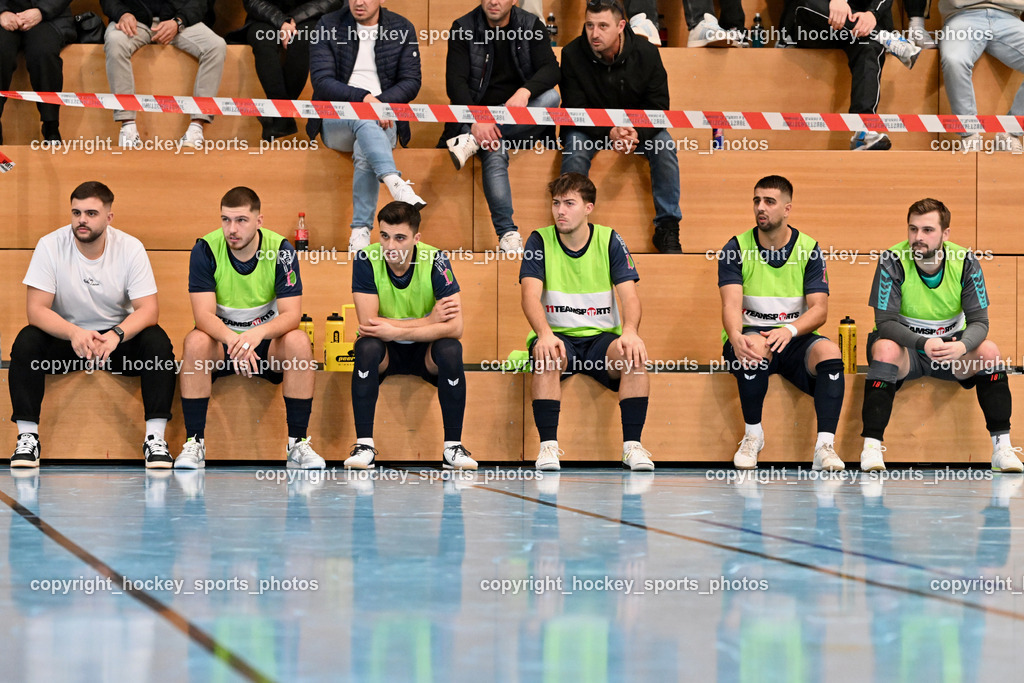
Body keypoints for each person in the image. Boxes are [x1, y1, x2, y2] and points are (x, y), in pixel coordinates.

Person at [8, 181, 176, 468]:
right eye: (76, 213)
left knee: (157, 342)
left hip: (114, 343)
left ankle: (155, 440)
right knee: (26, 340)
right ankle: (28, 439)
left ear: (109, 218)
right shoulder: (50, 245)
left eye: (90, 213)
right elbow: (36, 311)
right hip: (68, 339)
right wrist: (73, 332)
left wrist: (117, 335)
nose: (81, 220)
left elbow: (149, 310)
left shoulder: (130, 248)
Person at [858, 198, 1023, 472]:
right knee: (884, 347)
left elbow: (980, 322)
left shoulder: (966, 261)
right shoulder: (892, 259)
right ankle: (872, 449)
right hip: (907, 351)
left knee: (989, 351)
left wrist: (962, 347)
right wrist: (923, 342)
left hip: (950, 353)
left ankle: (1002, 448)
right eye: (913, 229)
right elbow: (885, 322)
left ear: (945, 234)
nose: (918, 238)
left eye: (927, 230)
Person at [174, 186, 324, 470]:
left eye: (241, 220)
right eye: (226, 219)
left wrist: (255, 335)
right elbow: (203, 316)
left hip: (264, 343)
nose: (232, 228)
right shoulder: (204, 249)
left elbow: (292, 315)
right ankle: (194, 443)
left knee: (299, 342)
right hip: (223, 341)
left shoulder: (281, 250)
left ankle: (298, 444)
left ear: (259, 220)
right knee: (194, 343)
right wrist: (236, 341)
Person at [520, 172, 654, 472]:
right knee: (545, 356)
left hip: (600, 342)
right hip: (557, 338)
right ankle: (548, 449)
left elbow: (630, 297)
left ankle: (632, 447)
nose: (560, 211)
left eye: (569, 203)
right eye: (556, 203)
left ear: (588, 208)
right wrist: (543, 334)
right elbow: (529, 296)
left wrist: (630, 332)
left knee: (633, 355)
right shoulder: (539, 239)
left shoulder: (609, 239)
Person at [718, 175, 845, 471]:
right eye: (756, 200)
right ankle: (753, 436)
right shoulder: (735, 247)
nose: (761, 207)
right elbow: (730, 304)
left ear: (787, 209)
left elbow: (819, 310)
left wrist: (789, 330)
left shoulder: (808, 248)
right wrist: (735, 335)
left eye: (769, 202)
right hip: (751, 334)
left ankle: (824, 446)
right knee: (752, 347)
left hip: (794, 337)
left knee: (830, 354)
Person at [345, 201, 477, 471]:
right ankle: (364, 446)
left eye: (400, 238)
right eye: (384, 236)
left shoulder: (436, 260)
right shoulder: (365, 259)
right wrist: (429, 321)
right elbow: (370, 324)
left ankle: (453, 447)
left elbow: (455, 328)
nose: (390, 246)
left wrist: (394, 329)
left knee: (451, 349)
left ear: (416, 238)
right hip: (385, 351)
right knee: (366, 347)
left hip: (425, 352)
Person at [559, 0, 683, 254]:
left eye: (603, 26)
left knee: (664, 144)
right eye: (590, 25)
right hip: (589, 128)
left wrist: (635, 132)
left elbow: (659, 108)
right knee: (575, 147)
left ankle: (667, 229)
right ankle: (570, 228)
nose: (594, 33)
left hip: (637, 129)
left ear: (621, 26)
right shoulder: (572, 53)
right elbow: (574, 109)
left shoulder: (647, 52)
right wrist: (609, 131)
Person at [442, 0, 560, 254]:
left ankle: (474, 142)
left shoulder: (530, 24)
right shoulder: (463, 27)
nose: (494, 1)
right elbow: (455, 83)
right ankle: (507, 233)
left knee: (551, 98)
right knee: (494, 150)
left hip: (519, 120)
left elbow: (551, 69)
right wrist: (477, 120)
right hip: (475, 120)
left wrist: (525, 92)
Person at [308, 0, 426, 254]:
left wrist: (378, 105)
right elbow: (322, 80)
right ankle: (393, 181)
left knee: (365, 142)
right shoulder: (328, 25)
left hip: (384, 118)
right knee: (363, 115)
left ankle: (359, 232)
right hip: (336, 120)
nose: (359, 2)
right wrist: (363, 99)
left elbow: (411, 81)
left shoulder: (402, 28)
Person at [780, 0, 922, 149]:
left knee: (869, 47)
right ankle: (881, 35)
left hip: (859, 28)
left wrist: (872, 14)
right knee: (804, 2)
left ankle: (864, 130)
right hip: (818, 23)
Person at [101, 0, 227, 148]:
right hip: (135, 21)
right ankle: (127, 127)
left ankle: (196, 128)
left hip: (178, 22)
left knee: (216, 46)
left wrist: (179, 22)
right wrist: (122, 13)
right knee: (115, 40)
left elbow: (200, 2)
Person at [241, 0, 342, 140]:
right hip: (265, 17)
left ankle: (279, 118)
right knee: (262, 41)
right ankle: (283, 117)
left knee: (304, 40)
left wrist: (295, 18)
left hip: (309, 17)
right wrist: (281, 21)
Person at [939, 0, 1024, 153]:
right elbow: (957, 1)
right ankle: (969, 134)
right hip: (962, 17)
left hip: (1010, 20)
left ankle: (1010, 132)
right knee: (954, 60)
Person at [0, 0, 75, 143]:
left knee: (43, 51)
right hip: (4, 18)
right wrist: (1, 12)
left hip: (50, 18)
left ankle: (51, 126)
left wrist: (42, 11)